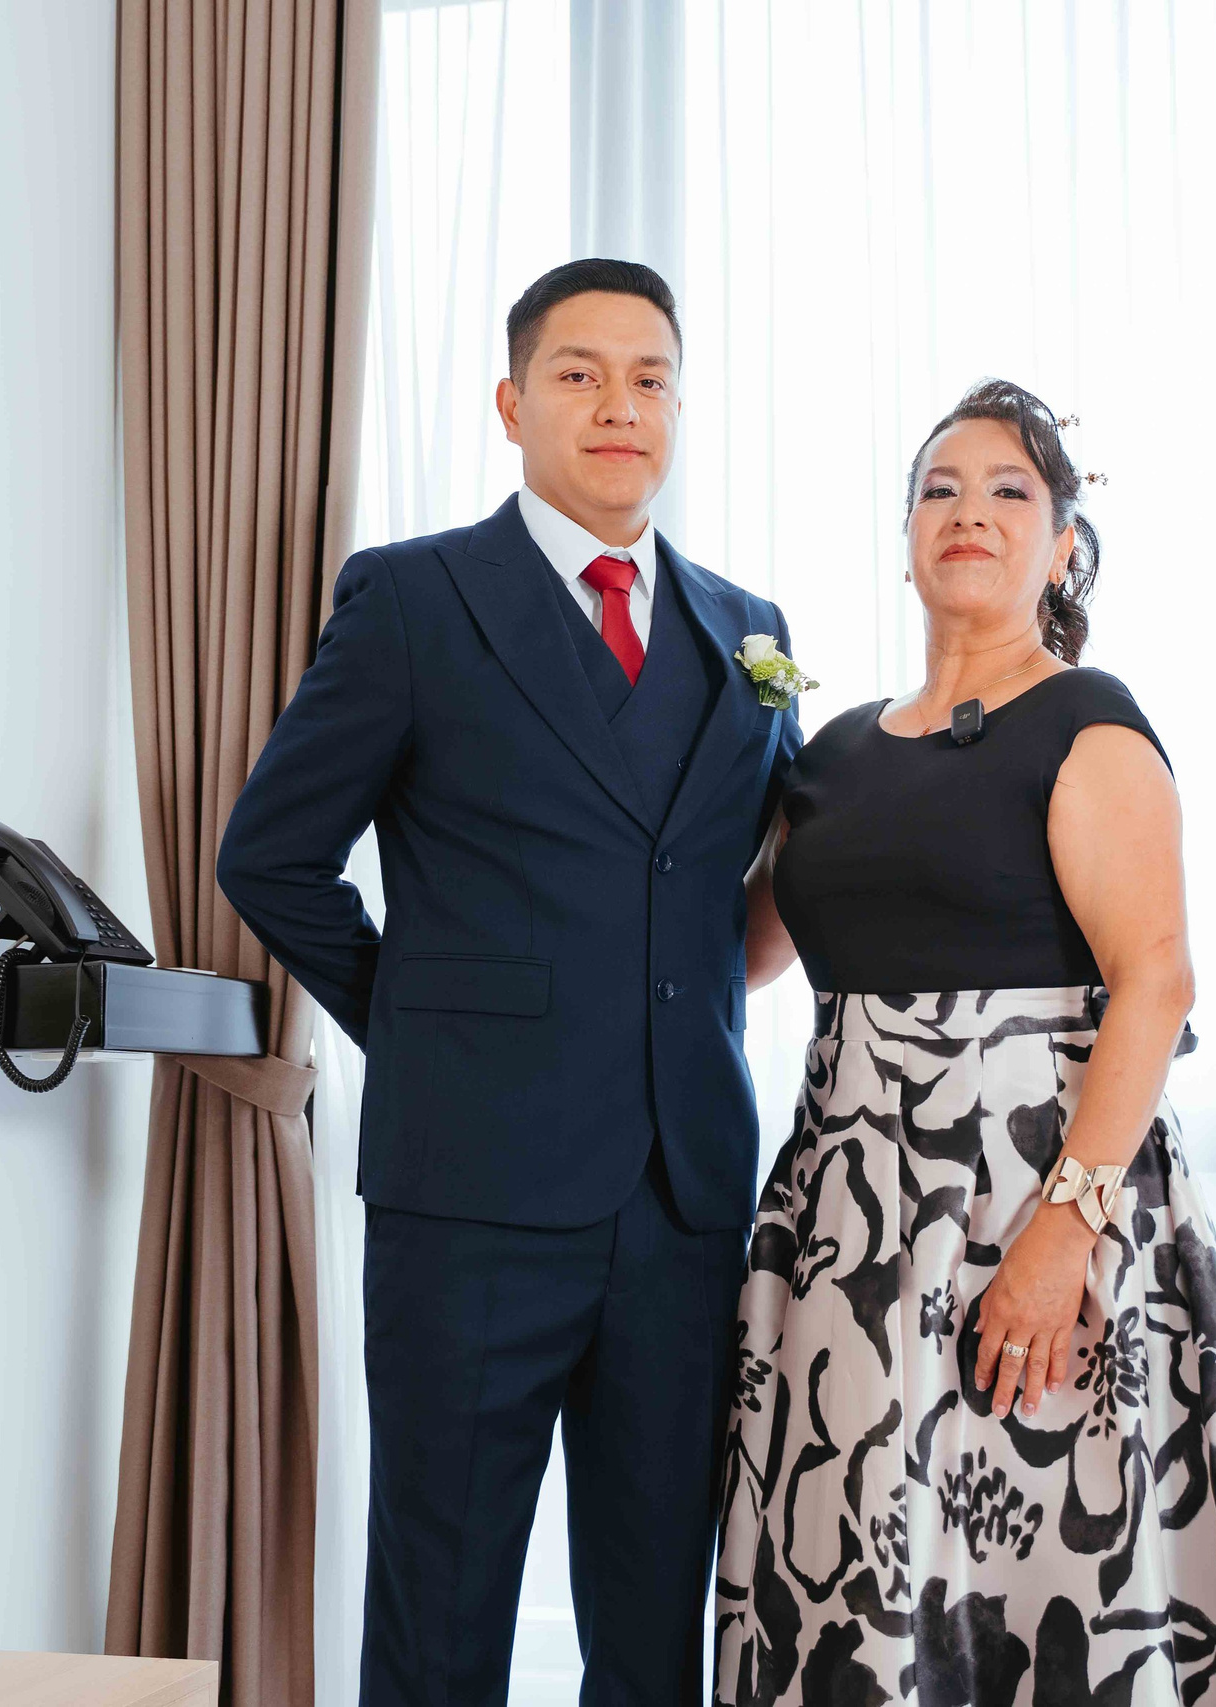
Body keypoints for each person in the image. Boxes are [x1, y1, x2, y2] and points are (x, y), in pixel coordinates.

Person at [217, 258, 805, 1707]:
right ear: (511, 401)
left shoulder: (747, 629)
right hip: (468, 1199)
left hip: (681, 1205)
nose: (620, 405)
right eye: (579, 373)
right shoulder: (419, 600)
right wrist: (428, 1032)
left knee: (658, 1621)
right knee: (442, 1617)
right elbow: (272, 858)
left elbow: (766, 883)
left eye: (651, 378)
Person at [716, 381, 1216, 1706]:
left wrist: (1066, 1231)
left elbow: (1154, 978)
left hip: (1040, 1210)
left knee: (1049, 1587)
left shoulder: (1083, 720)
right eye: (939, 489)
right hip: (849, 1226)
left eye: (1007, 493)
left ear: (1063, 551)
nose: (968, 512)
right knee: (856, 1577)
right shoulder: (832, 751)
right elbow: (748, 953)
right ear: (905, 536)